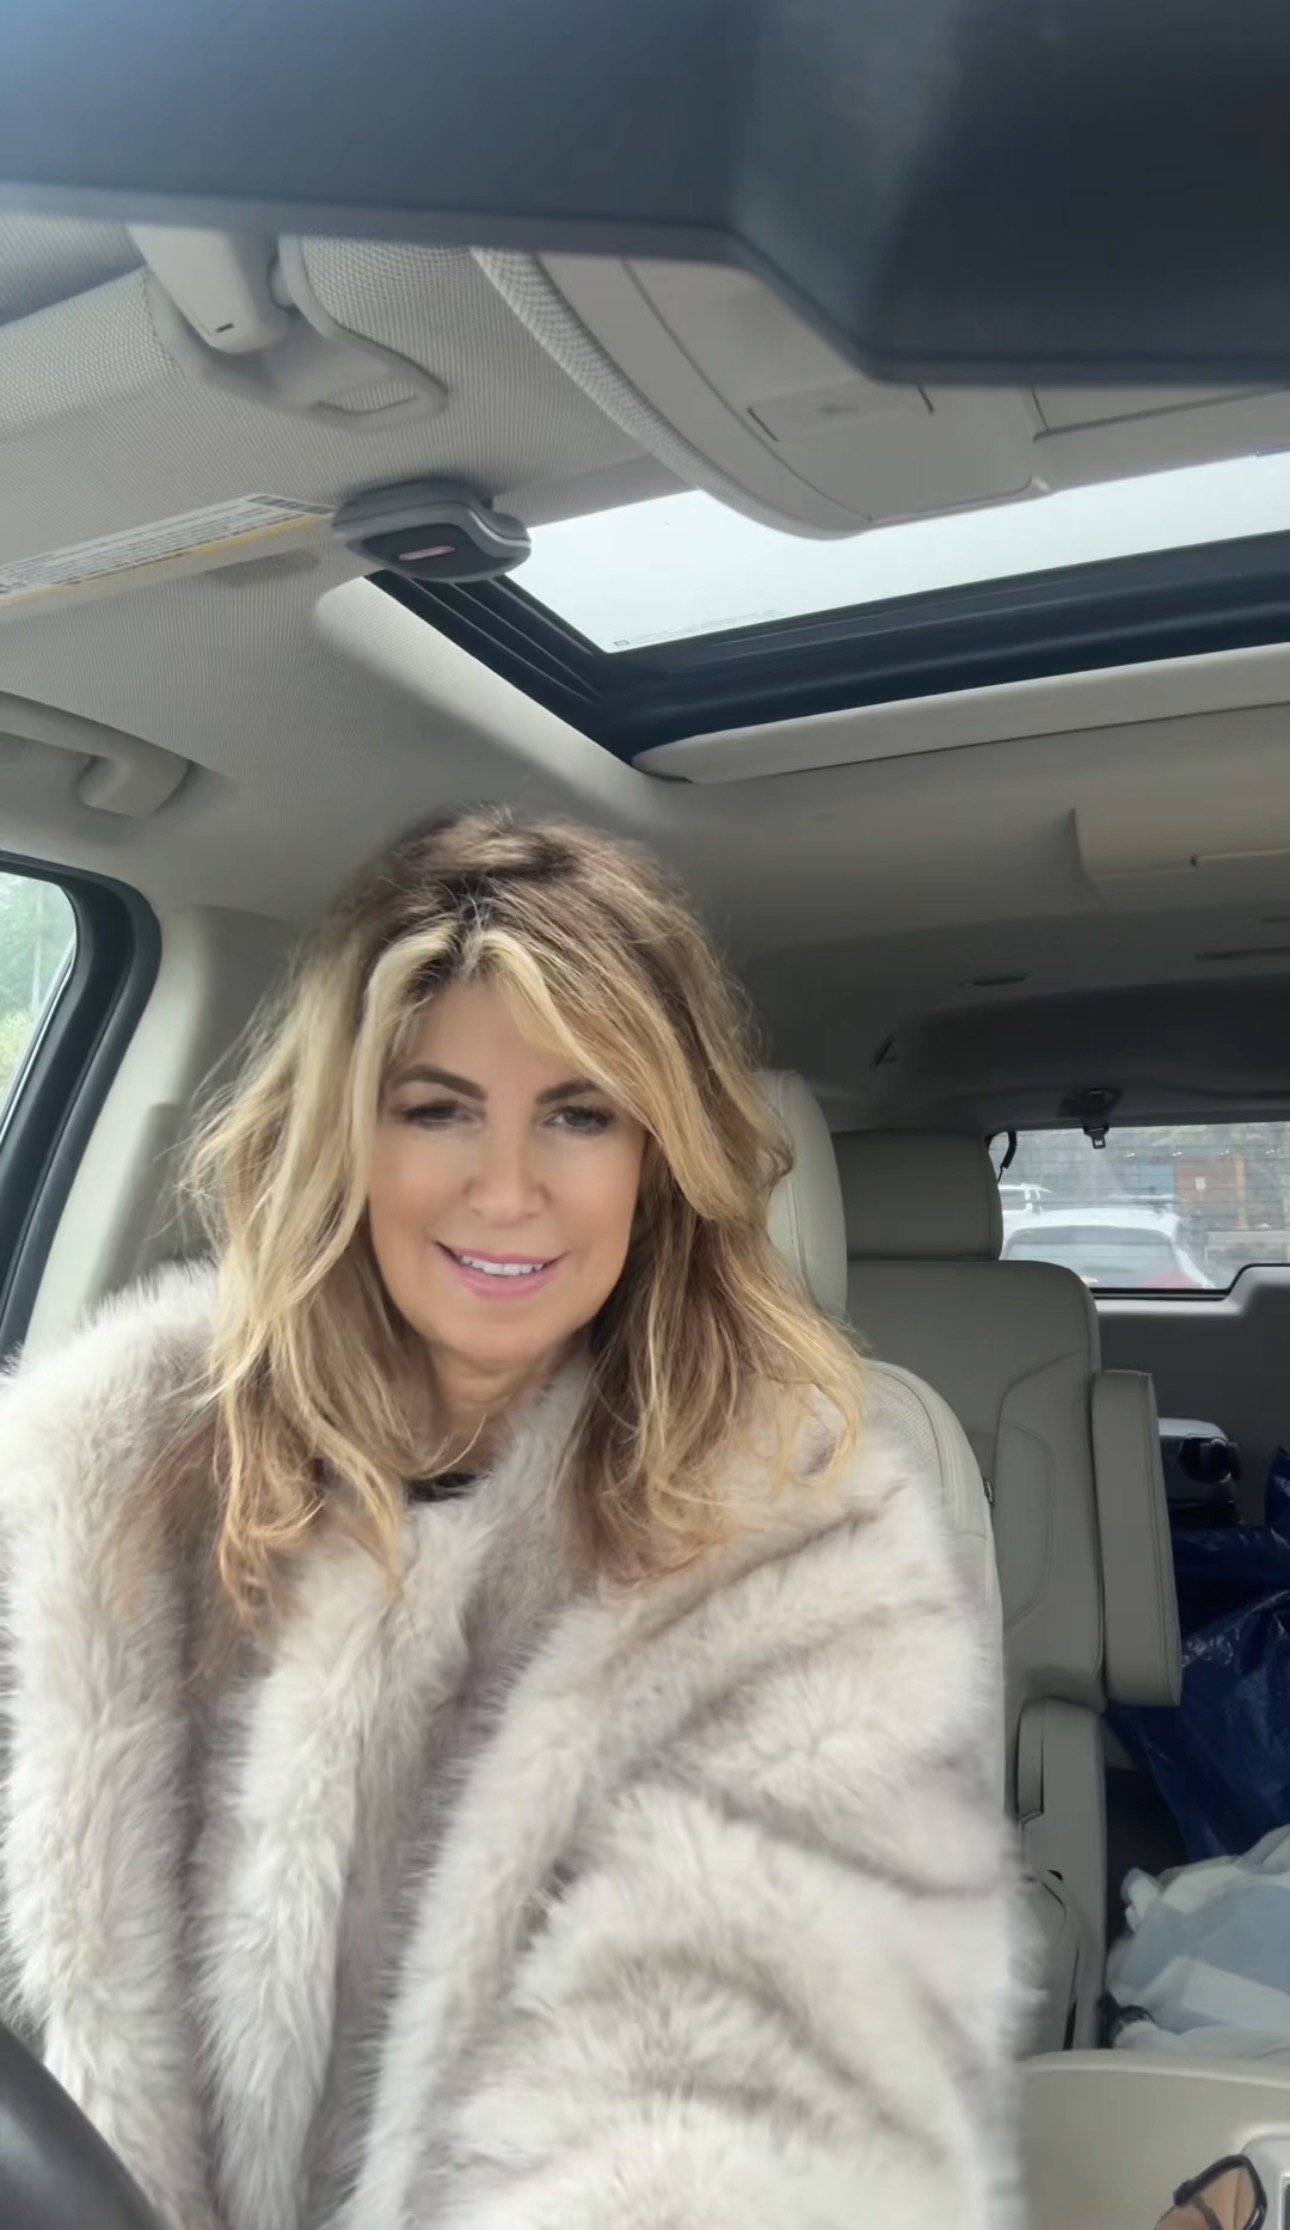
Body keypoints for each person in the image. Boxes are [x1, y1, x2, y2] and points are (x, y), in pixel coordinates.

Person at [0, 807, 1024, 2230]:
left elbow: (746, 2109)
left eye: (579, 1113)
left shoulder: (803, 1560)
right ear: (345, 1136)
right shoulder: (104, 1472)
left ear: (657, 1155)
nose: (505, 1189)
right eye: (436, 1109)